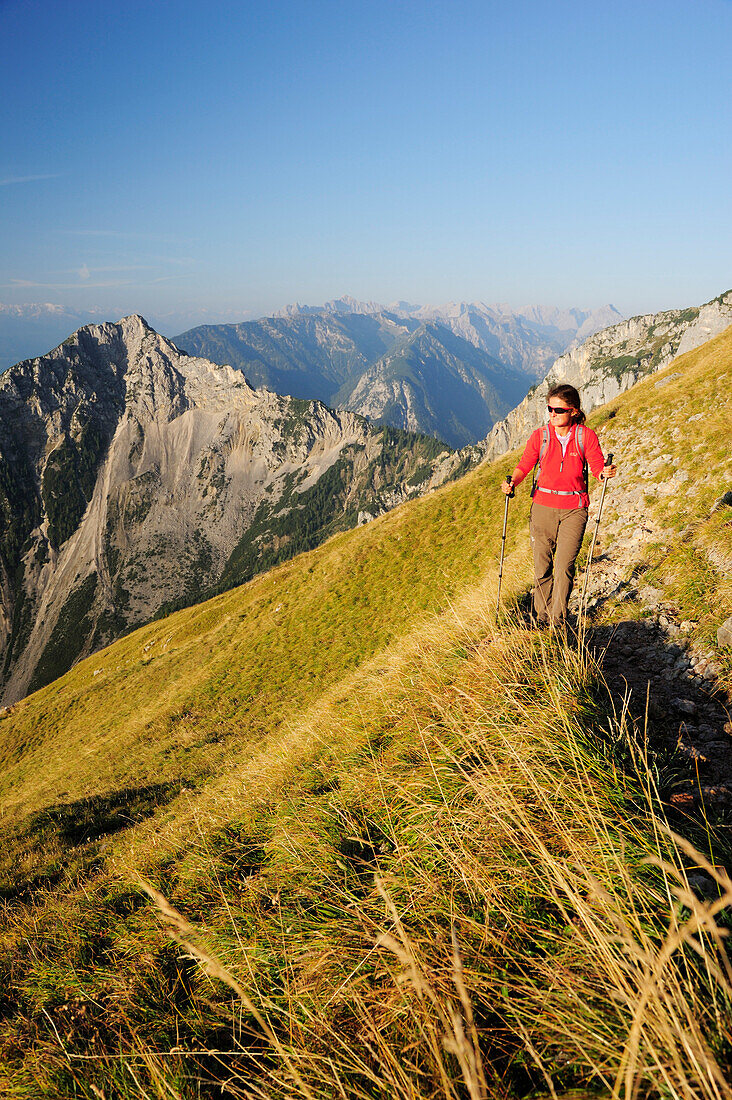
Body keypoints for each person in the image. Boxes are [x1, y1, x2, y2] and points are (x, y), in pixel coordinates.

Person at [501, 384, 617, 627]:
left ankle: (558, 622)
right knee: (542, 566)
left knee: (564, 566)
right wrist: (513, 482)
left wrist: (603, 472)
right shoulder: (540, 436)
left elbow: (596, 465)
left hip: (574, 509)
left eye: (558, 410)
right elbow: (525, 464)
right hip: (542, 507)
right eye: (549, 409)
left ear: (573, 411)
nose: (552, 414)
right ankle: (540, 618)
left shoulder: (585, 436)